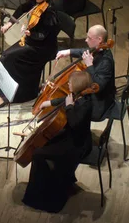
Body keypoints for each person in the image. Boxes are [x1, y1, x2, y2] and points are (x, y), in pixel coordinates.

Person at [22, 71, 94, 213]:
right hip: (71, 137)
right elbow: (65, 98)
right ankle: (50, 181)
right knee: (44, 144)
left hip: (76, 145)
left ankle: (40, 195)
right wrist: (48, 102)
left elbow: (74, 123)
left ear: (78, 85)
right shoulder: (79, 95)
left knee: (37, 154)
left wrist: (69, 107)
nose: (68, 84)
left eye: (70, 83)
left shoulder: (85, 104)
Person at [0, 0, 59, 108]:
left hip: (42, 48)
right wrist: (9, 23)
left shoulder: (50, 11)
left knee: (8, 58)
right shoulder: (37, 1)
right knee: (5, 55)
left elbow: (45, 34)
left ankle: (15, 94)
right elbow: (22, 8)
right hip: (31, 42)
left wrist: (30, 33)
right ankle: (10, 91)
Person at [55, 24, 115, 121]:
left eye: (89, 38)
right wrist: (68, 51)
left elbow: (98, 86)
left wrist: (89, 65)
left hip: (99, 102)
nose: (86, 40)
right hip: (92, 93)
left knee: (69, 110)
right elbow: (85, 51)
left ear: (99, 39)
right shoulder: (98, 49)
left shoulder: (106, 62)